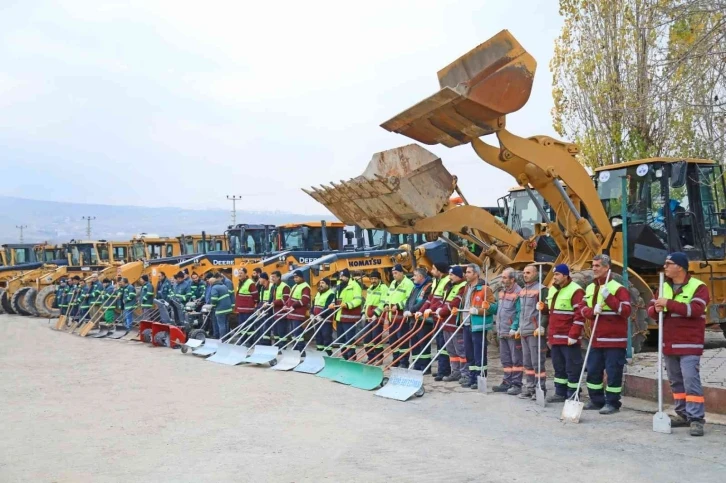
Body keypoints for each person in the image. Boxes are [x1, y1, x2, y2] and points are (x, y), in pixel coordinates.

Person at [647, 252, 709, 436]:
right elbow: (650, 309)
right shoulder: (663, 286)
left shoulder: (699, 287)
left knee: (691, 380)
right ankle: (682, 414)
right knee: (676, 381)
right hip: (669, 343)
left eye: (668, 263)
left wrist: (669, 303)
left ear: (680, 267)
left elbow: (695, 310)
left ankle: (696, 419)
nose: (664, 267)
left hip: (689, 343)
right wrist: (655, 309)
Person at [580, 254, 632, 415]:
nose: (594, 268)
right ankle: (596, 400)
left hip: (614, 340)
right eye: (593, 265)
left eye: (597, 266)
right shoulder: (590, 287)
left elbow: (626, 311)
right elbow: (582, 308)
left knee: (613, 372)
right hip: (596, 338)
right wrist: (592, 311)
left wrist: (609, 298)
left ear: (606, 267)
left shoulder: (618, 288)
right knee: (593, 370)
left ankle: (612, 402)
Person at [545, 264, 586, 403]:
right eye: (554, 275)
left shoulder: (576, 291)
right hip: (555, 337)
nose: (554, 278)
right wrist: (543, 307)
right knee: (558, 367)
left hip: (568, 338)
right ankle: (560, 392)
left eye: (557, 275)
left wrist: (574, 335)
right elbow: (552, 313)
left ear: (565, 275)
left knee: (572, 367)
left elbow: (579, 316)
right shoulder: (554, 290)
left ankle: (573, 394)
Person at [515, 264, 549, 400]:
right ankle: (529, 387)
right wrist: (518, 327)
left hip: (535, 332)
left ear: (536, 274)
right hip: (524, 331)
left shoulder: (542, 290)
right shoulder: (523, 291)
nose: (525, 275)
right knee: (527, 363)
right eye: (524, 272)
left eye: (528, 272)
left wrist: (542, 326)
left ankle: (540, 388)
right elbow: (521, 312)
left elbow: (546, 311)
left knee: (537, 362)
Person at [461, 264, 496, 390]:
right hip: (466, 323)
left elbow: (493, 307)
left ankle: (481, 377)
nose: (466, 274)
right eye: (466, 272)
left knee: (479, 354)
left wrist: (479, 310)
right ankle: (472, 377)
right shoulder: (467, 287)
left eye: (469, 272)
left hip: (478, 325)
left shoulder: (484, 289)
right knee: (469, 353)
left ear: (476, 274)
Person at [418, 262, 452, 380]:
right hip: (436, 317)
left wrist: (432, 309)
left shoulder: (447, 281)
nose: (431, 271)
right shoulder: (436, 281)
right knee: (439, 344)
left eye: (433, 269)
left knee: (443, 345)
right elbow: (430, 299)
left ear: (440, 270)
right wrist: (422, 311)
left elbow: (442, 301)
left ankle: (445, 370)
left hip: (442, 317)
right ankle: (441, 370)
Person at [435, 266, 469, 383]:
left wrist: (442, 311)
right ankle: (456, 372)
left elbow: (455, 303)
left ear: (458, 275)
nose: (450, 277)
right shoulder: (450, 286)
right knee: (451, 351)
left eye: (452, 275)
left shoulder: (463, 286)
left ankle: (465, 373)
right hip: (446, 323)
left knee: (461, 350)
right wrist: (439, 309)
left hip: (455, 324)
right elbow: (444, 302)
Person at [492, 268, 523, 395]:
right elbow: (499, 310)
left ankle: (516, 384)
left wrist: (514, 327)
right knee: (505, 359)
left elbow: (519, 312)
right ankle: (507, 381)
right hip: (502, 330)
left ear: (512, 279)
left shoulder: (519, 293)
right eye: (502, 277)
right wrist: (489, 307)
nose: (502, 280)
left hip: (511, 331)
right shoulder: (502, 292)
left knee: (516, 359)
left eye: (505, 278)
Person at [384, 264, 415, 367]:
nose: (394, 275)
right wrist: (385, 304)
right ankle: (396, 359)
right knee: (393, 341)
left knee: (402, 341)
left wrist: (398, 306)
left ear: (402, 273)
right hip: (392, 318)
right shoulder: (393, 283)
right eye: (393, 273)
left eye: (396, 273)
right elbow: (388, 296)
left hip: (402, 318)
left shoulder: (408, 283)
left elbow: (408, 299)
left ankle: (404, 362)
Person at [401, 267, 432, 369]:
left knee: (423, 344)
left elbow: (424, 301)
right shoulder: (415, 287)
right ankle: (416, 365)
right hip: (412, 320)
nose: (413, 277)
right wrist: (406, 310)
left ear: (420, 276)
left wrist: (412, 310)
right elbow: (408, 300)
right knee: (414, 345)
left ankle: (424, 367)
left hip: (423, 321)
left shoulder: (428, 286)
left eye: (414, 275)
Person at [330, 268, 363, 360]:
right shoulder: (339, 286)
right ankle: (344, 357)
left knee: (349, 339)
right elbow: (336, 298)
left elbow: (358, 300)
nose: (341, 278)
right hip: (339, 316)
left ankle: (352, 357)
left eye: (343, 276)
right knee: (341, 339)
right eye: (340, 276)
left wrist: (348, 305)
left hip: (349, 317)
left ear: (348, 277)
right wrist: (333, 303)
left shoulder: (355, 286)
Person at [363, 270, 387, 359]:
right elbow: (367, 303)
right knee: (366, 339)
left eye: (375, 278)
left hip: (378, 317)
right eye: (372, 278)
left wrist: (376, 314)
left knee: (376, 338)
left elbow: (383, 302)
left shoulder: (383, 288)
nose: (373, 280)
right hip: (368, 317)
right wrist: (363, 313)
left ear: (379, 279)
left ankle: (379, 358)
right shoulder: (369, 289)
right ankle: (371, 357)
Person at [285, 270, 311, 351]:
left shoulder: (305, 287)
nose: (295, 279)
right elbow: (290, 298)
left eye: (297, 277)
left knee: (298, 334)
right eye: (294, 278)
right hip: (292, 313)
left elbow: (304, 300)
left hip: (298, 314)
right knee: (293, 334)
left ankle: (301, 350)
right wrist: (286, 305)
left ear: (301, 277)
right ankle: (295, 349)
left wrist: (293, 305)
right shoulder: (295, 286)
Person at [313, 277, 337, 354]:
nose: (321, 285)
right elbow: (314, 305)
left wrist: (321, 315)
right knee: (318, 336)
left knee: (326, 336)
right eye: (320, 283)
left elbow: (328, 307)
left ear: (327, 284)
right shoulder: (318, 293)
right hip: (317, 319)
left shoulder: (331, 294)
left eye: (323, 283)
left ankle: (328, 353)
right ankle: (320, 352)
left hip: (325, 320)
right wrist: (311, 313)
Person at [235, 267, 259, 335]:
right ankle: (243, 340)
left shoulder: (250, 283)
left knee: (248, 327)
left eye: (241, 273)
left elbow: (255, 295)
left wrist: (252, 303)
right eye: (239, 273)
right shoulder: (240, 282)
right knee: (242, 326)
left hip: (248, 309)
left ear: (245, 274)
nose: (239, 275)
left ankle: (249, 342)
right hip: (241, 309)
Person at [270, 270, 291, 345]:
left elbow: (285, 299)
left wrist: (275, 302)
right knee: (275, 332)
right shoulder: (274, 286)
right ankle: (276, 346)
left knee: (281, 331)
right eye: (271, 277)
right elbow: (272, 298)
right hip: (275, 312)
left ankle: (282, 346)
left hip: (282, 313)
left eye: (274, 277)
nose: (272, 278)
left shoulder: (285, 287)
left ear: (279, 277)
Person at [256, 272, 273, 344]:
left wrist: (266, 307)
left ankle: (266, 343)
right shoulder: (262, 288)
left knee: (267, 327)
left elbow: (272, 298)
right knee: (261, 327)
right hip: (263, 310)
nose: (258, 280)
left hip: (270, 310)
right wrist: (258, 309)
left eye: (260, 278)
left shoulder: (272, 286)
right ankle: (262, 342)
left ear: (264, 279)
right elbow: (261, 300)